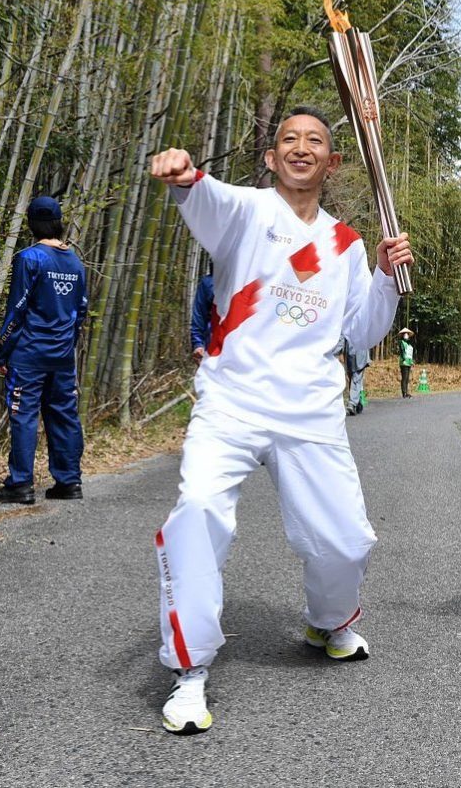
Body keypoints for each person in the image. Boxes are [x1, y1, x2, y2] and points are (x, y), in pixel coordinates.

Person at [149, 106, 413, 735]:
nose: (301, 148)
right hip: (232, 401)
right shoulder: (245, 211)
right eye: (289, 139)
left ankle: (328, 621)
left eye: (314, 141)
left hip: (309, 410)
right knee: (197, 512)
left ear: (332, 162)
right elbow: (204, 196)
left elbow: (361, 333)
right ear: (271, 158)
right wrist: (184, 175)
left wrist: (385, 277)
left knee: (346, 541)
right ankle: (190, 669)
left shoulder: (347, 244)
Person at [0, 197, 87, 505]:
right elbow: (81, 311)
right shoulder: (75, 262)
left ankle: (20, 485)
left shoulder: (29, 258)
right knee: (64, 415)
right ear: (59, 223)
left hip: (29, 354)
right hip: (62, 356)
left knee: (24, 416)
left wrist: (2, 352)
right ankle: (69, 482)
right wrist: (67, 345)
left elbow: (17, 309)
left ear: (31, 224)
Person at [190, 272, 214, 365]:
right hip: (213, 345)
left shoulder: (248, 279)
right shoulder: (209, 282)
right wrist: (198, 344)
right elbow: (199, 315)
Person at [343, 337, 370, 416]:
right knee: (353, 378)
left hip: (359, 352)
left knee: (356, 378)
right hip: (351, 352)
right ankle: (356, 401)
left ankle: (352, 403)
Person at [398, 327, 415, 398]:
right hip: (404, 362)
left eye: (407, 334)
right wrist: (404, 358)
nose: (406, 335)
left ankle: (407, 392)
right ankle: (404, 393)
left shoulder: (409, 344)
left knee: (407, 378)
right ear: (402, 335)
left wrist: (412, 361)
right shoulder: (401, 342)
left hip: (409, 362)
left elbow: (410, 354)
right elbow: (402, 351)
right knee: (404, 378)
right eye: (405, 334)